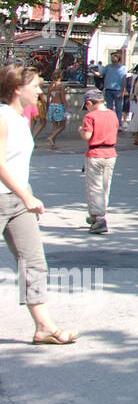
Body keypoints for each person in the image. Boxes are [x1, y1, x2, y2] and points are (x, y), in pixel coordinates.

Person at [0, 64, 78, 344]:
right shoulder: (3, 116)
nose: (40, 90)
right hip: (9, 196)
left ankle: (43, 327)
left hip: (19, 199)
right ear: (17, 88)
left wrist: (24, 195)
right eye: (36, 86)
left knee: (33, 263)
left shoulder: (23, 118)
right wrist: (26, 195)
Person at [78, 89, 117, 233]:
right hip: (111, 153)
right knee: (105, 186)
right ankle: (97, 213)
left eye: (86, 106)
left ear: (89, 103)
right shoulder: (113, 115)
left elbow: (88, 135)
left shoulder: (90, 116)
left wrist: (81, 131)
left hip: (95, 153)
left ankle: (99, 218)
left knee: (94, 186)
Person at [102, 52, 127, 127]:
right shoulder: (108, 67)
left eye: (113, 57)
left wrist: (122, 91)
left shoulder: (122, 68)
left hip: (117, 90)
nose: (112, 59)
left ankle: (118, 124)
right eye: (111, 57)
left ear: (117, 58)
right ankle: (109, 124)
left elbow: (124, 80)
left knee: (118, 108)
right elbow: (101, 74)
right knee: (109, 108)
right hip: (108, 89)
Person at [46, 78, 69, 150]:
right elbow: (63, 98)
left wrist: (47, 107)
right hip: (59, 106)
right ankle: (51, 137)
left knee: (54, 125)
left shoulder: (50, 86)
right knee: (62, 125)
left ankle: (52, 143)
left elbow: (48, 97)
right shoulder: (61, 86)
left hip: (52, 106)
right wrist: (66, 106)